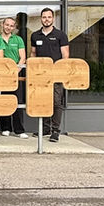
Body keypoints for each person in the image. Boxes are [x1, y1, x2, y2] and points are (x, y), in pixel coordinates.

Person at [31, 8, 69, 142]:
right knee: (43, 100)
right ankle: (45, 129)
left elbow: (65, 55)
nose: (46, 19)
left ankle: (55, 131)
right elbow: (33, 54)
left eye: (49, 17)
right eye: (44, 17)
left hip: (56, 74)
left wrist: (61, 72)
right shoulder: (35, 35)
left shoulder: (60, 35)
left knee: (56, 101)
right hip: (41, 75)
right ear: (41, 19)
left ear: (53, 19)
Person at [0, 17, 28, 139]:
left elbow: (23, 57)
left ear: (14, 27)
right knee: (3, 100)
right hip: (2, 74)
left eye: (11, 26)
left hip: (16, 74)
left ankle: (19, 130)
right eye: (7, 25)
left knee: (17, 101)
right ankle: (5, 128)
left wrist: (16, 71)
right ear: (2, 25)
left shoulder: (18, 39)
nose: (8, 27)